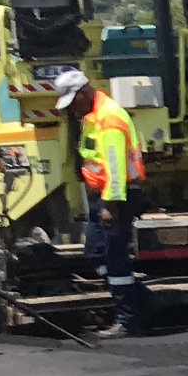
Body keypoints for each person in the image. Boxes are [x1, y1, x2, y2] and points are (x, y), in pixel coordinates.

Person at [57, 68, 156, 335]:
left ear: (84, 92)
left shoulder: (108, 118)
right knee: (96, 254)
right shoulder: (94, 115)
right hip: (103, 195)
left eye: (73, 101)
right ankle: (141, 302)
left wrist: (110, 205)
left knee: (115, 258)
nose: (72, 109)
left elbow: (115, 165)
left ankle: (128, 319)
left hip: (117, 196)